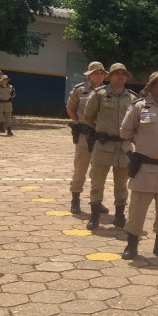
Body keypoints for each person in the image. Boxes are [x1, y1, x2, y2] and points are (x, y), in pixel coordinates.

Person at [119, 71, 158, 258]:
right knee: (137, 209)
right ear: (151, 87)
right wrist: (143, 143)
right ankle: (132, 245)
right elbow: (125, 132)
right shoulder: (139, 107)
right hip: (145, 167)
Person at [83, 63, 136, 231]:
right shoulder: (99, 95)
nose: (120, 76)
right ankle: (94, 216)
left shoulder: (133, 98)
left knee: (122, 184)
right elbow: (89, 117)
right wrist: (101, 130)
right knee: (97, 182)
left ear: (126, 77)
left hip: (124, 147)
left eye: (123, 74)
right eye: (116, 73)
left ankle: (120, 216)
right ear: (110, 76)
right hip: (103, 144)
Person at [65, 61, 109, 215]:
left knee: (99, 172)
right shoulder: (80, 90)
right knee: (80, 169)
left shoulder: (109, 91)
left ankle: (96, 201)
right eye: (96, 73)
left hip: (102, 137)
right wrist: (80, 122)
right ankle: (75, 200)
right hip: (85, 136)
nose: (99, 75)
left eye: (102, 73)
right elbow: (70, 109)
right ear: (89, 75)